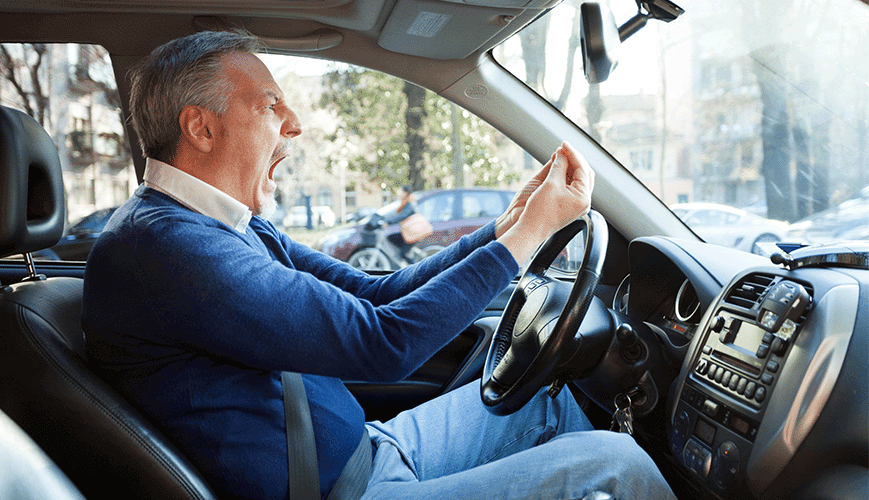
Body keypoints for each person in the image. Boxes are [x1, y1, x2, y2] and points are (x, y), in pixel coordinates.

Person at [81, 30, 676, 500]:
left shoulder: (223, 227)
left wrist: (505, 231)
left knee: (546, 396)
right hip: (350, 491)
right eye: (270, 106)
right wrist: (527, 242)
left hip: (370, 451)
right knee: (617, 468)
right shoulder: (166, 250)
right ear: (201, 126)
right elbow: (382, 342)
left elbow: (379, 293)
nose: (294, 122)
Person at [384, 185, 420, 264]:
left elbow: (403, 215)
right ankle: (406, 254)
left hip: (413, 232)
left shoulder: (410, 203)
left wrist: (388, 222)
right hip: (410, 231)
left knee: (403, 254)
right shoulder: (406, 202)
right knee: (391, 237)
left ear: (406, 192)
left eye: (401, 192)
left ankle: (414, 268)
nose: (399, 194)